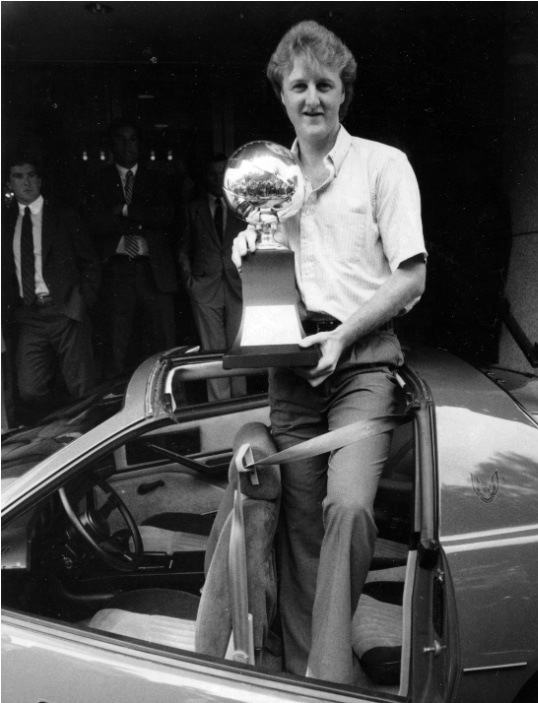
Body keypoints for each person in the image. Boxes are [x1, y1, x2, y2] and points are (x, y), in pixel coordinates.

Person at [231, 20, 427, 684]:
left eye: (324, 84)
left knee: (347, 506)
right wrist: (255, 250)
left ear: (344, 92)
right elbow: (264, 281)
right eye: (298, 85)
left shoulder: (383, 165)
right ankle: (301, 680)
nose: (311, 97)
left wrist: (342, 337)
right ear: (282, 96)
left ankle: (328, 667)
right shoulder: (268, 180)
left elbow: (412, 275)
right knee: (297, 527)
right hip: (294, 366)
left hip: (363, 361)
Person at [2, 157, 100, 422]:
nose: (26, 182)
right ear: (9, 183)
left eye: (31, 175)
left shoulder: (63, 215)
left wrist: (81, 301)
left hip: (65, 310)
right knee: (30, 390)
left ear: (40, 180)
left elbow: (90, 262)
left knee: (82, 387)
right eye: (18, 176)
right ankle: (58, 432)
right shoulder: (6, 222)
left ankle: (87, 446)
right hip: (29, 316)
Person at [84, 118, 180, 377]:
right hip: (117, 275)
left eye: (133, 139)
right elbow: (92, 221)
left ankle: (170, 398)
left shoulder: (160, 178)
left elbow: (166, 216)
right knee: (117, 346)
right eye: (121, 139)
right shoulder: (97, 180)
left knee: (164, 345)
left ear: (140, 144)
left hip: (154, 273)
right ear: (111, 144)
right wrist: (117, 243)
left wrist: (125, 210)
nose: (127, 145)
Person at [179, 153, 246, 400]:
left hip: (237, 286)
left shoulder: (242, 206)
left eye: (222, 173)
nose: (217, 179)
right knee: (213, 351)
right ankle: (219, 408)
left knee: (238, 350)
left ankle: (240, 407)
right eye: (212, 174)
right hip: (205, 288)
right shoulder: (193, 209)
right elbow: (184, 249)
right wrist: (191, 284)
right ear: (204, 177)